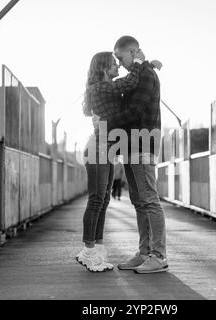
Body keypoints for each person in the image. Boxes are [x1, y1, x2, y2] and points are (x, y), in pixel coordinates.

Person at [75, 50, 155, 272]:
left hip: (107, 148)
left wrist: (148, 64)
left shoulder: (105, 87)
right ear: (102, 68)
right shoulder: (100, 87)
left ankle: (97, 251)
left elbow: (127, 83)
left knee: (104, 200)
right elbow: (129, 82)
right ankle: (87, 250)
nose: (117, 67)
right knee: (96, 200)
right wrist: (140, 61)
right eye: (113, 64)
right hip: (98, 147)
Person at [97, 36, 168, 274]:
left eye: (120, 57)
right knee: (138, 201)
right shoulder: (139, 74)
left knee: (149, 199)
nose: (119, 62)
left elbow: (135, 110)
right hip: (130, 143)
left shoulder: (146, 76)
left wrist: (105, 123)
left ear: (133, 51)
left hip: (143, 142)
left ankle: (158, 256)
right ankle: (145, 252)